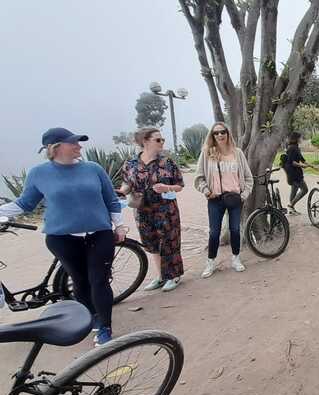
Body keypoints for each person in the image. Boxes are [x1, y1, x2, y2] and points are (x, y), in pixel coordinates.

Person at [0, 127, 126, 346]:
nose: (79, 146)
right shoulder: (39, 173)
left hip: (100, 233)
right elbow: (25, 204)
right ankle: (90, 318)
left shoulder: (94, 169)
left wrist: (120, 226)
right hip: (62, 238)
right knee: (80, 281)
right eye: (73, 143)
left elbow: (111, 200)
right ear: (55, 148)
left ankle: (105, 327)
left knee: (99, 280)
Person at [120, 128, 185, 292]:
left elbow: (180, 185)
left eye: (162, 139)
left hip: (166, 209)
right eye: (158, 140)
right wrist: (122, 192)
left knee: (169, 242)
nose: (162, 142)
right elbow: (127, 184)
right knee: (152, 244)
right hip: (143, 210)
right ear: (145, 141)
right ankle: (161, 276)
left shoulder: (167, 162)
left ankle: (173, 275)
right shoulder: (131, 164)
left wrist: (166, 187)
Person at [193, 122, 254, 279]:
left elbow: (248, 177)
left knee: (235, 229)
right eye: (216, 133)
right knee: (214, 232)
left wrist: (244, 195)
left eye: (223, 132)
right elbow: (198, 177)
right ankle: (211, 262)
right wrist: (206, 191)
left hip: (235, 198)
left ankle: (236, 258)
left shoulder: (238, 153)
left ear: (228, 133)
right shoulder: (207, 153)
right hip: (215, 199)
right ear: (212, 136)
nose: (220, 135)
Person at [283, 132, 311, 215]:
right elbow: (292, 162)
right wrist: (302, 165)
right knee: (305, 189)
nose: (301, 139)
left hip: (295, 173)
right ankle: (291, 205)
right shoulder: (291, 148)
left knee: (294, 190)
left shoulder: (296, 147)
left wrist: (309, 164)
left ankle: (291, 210)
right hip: (294, 174)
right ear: (296, 138)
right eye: (300, 137)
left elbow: (301, 158)